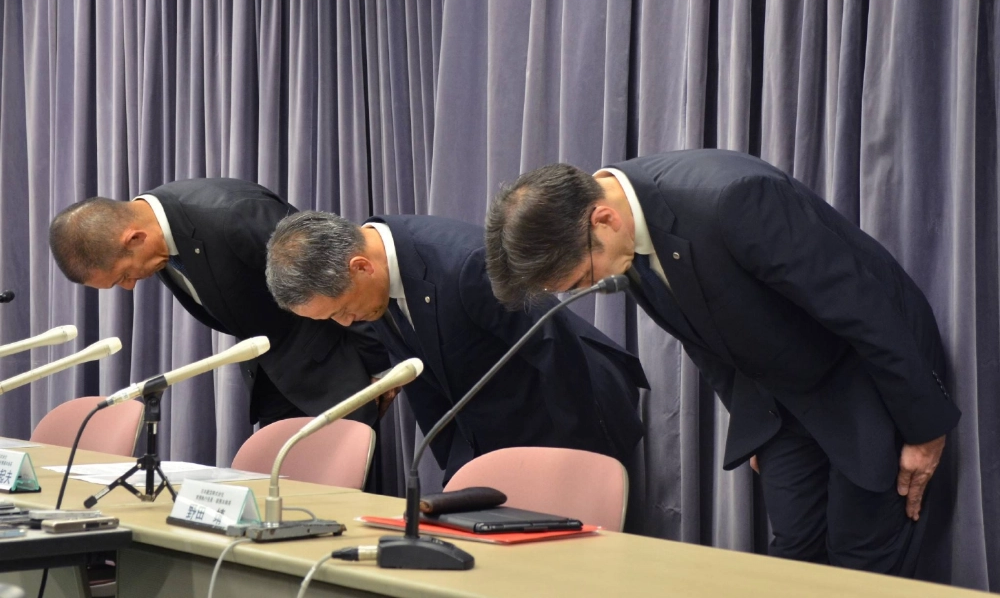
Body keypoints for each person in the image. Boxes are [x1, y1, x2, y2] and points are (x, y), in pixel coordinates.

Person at [483, 149, 960, 576]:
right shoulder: (621, 237)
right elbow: (703, 335)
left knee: (860, 560)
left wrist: (922, 428)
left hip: (865, 378)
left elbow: (866, 311)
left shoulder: (733, 198)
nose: (586, 289)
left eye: (583, 277)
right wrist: (754, 424)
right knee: (795, 553)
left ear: (604, 219)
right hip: (782, 395)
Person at [265, 211, 648, 480]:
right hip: (494, 427)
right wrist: (457, 470)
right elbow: (425, 383)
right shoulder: (373, 283)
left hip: (571, 416)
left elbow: (555, 350)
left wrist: (570, 463)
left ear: (361, 266)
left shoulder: (465, 263)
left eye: (343, 311)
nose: (345, 323)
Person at [48, 178, 391, 427]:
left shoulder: (233, 214)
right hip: (275, 378)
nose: (128, 287)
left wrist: (381, 368)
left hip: (337, 374)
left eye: (123, 275)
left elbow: (341, 277)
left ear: (135, 238)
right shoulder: (158, 238)